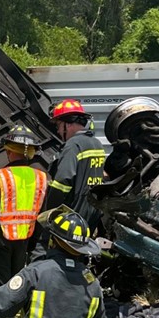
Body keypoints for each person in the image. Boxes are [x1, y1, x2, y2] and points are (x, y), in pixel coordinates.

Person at [0, 125, 48, 294]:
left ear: (9, 150)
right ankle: (14, 313)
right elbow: (41, 214)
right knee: (17, 280)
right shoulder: (41, 178)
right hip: (24, 238)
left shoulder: (1, 176)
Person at [44, 99, 105, 233]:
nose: (59, 131)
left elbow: (62, 182)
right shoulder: (97, 144)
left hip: (71, 221)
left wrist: (48, 211)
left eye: (59, 125)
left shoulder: (73, 145)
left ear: (69, 124)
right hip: (90, 217)